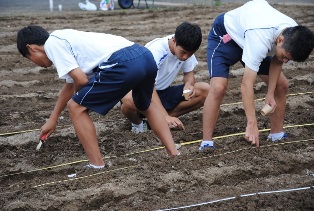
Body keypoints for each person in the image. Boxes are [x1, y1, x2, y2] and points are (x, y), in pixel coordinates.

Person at [17, 25, 180, 170]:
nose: (35, 63)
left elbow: (81, 80)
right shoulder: (64, 37)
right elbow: (69, 86)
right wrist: (53, 118)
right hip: (144, 56)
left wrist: (81, 101)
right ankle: (174, 153)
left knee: (75, 107)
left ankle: (96, 164)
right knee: (145, 104)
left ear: (31, 48)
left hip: (123, 62)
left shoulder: (52, 45)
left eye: (29, 59)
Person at [200, 0, 314, 150]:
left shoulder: (292, 32)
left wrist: (270, 93)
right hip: (228, 37)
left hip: (250, 35)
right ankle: (206, 143)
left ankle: (276, 134)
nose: (286, 60)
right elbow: (247, 84)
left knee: (282, 85)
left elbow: (277, 61)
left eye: (289, 59)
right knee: (219, 87)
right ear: (280, 40)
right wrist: (251, 123)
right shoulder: (260, 38)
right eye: (286, 56)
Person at [120, 22, 209, 133]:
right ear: (174, 41)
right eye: (184, 52)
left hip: (162, 92)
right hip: (142, 92)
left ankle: (155, 121)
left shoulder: (186, 46)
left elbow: (189, 74)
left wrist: (188, 85)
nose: (186, 57)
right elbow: (148, 87)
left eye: (190, 54)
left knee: (206, 90)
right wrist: (165, 116)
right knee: (128, 100)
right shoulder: (156, 51)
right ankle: (139, 124)